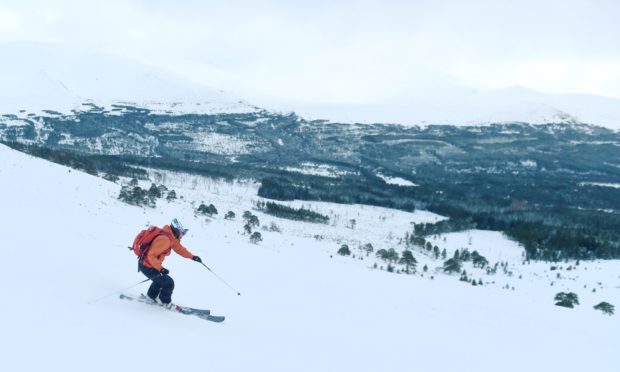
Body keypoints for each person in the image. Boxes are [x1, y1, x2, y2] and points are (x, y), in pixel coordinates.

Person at [139, 218, 202, 308]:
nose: (183, 234)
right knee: (169, 283)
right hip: (147, 265)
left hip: (148, 264)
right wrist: (161, 269)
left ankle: (150, 298)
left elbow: (179, 248)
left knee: (160, 280)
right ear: (178, 229)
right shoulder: (165, 239)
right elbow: (151, 255)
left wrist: (192, 257)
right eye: (183, 232)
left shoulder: (170, 236)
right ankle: (165, 302)